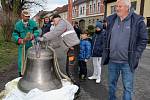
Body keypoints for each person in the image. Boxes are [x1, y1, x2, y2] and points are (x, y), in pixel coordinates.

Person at [101, 0, 148, 100]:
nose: (117, 8)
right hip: (112, 61)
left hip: (127, 62)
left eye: (120, 6)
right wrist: (106, 49)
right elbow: (105, 36)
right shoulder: (111, 19)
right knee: (111, 85)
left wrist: (136, 54)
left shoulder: (137, 21)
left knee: (128, 88)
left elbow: (143, 39)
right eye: (116, 6)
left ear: (127, 7)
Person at [12, 9, 39, 77]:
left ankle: (32, 74)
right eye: (26, 16)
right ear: (22, 16)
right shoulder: (18, 24)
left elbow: (37, 31)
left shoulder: (33, 23)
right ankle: (21, 74)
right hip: (22, 45)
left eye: (28, 16)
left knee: (31, 59)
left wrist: (33, 36)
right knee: (21, 61)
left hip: (31, 45)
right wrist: (20, 40)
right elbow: (15, 34)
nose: (27, 18)